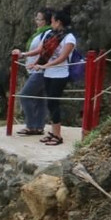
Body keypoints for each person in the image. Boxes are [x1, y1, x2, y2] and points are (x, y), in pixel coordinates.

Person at [32, 8, 77, 146]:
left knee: (53, 103)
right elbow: (43, 51)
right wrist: (35, 63)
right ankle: (53, 132)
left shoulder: (69, 38)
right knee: (50, 103)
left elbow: (63, 57)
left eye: (52, 20)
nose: (50, 22)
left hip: (60, 74)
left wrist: (44, 66)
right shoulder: (50, 34)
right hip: (49, 73)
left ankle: (58, 136)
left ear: (58, 22)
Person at [12, 7, 54, 135]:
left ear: (46, 21)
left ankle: (31, 125)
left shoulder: (48, 33)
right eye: (36, 18)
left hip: (41, 71)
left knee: (25, 96)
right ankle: (38, 127)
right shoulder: (40, 33)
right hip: (38, 70)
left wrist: (23, 54)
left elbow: (42, 50)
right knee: (40, 99)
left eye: (39, 19)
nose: (36, 21)